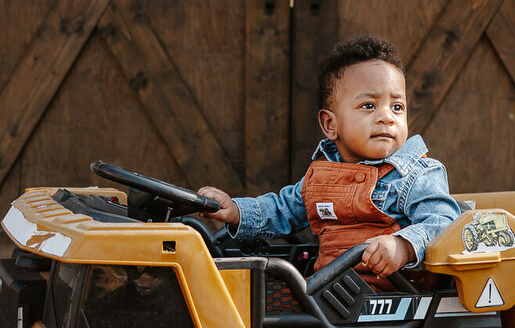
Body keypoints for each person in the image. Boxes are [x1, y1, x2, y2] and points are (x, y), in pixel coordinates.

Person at [198, 36, 461, 283]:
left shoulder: (416, 174)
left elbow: (445, 222)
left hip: (394, 304)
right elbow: (282, 210)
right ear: (330, 123)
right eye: (369, 106)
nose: (387, 117)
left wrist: (403, 245)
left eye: (397, 107)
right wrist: (234, 211)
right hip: (326, 299)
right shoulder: (322, 176)